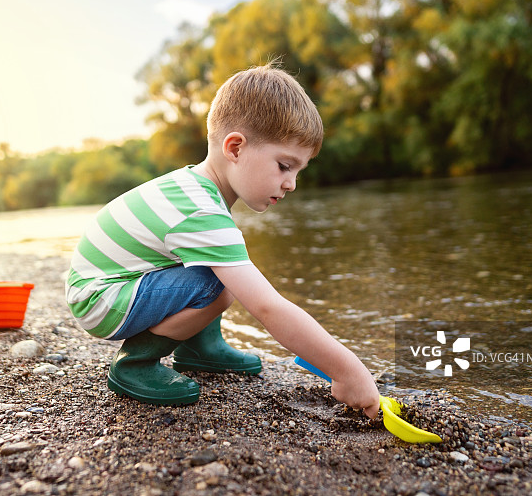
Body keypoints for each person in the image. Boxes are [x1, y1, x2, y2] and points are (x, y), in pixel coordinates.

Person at [66, 63, 380, 419]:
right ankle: (135, 362)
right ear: (235, 147)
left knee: (218, 269)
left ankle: (201, 348)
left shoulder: (197, 189)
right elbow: (267, 307)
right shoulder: (199, 210)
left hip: (106, 286)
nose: (291, 183)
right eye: (284, 165)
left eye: (298, 171)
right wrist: (347, 371)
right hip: (101, 298)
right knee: (218, 283)